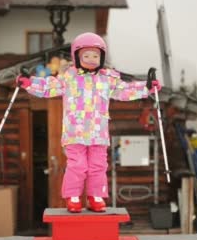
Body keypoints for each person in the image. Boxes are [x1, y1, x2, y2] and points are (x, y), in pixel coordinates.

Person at [16, 32, 161, 213]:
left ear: (102, 58)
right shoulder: (69, 77)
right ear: (77, 56)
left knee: (98, 165)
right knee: (77, 165)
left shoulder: (108, 78)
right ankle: (73, 196)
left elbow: (125, 89)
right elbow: (49, 86)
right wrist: (29, 83)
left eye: (96, 56)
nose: (91, 59)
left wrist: (146, 87)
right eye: (87, 55)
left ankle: (96, 196)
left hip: (98, 133)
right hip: (75, 132)